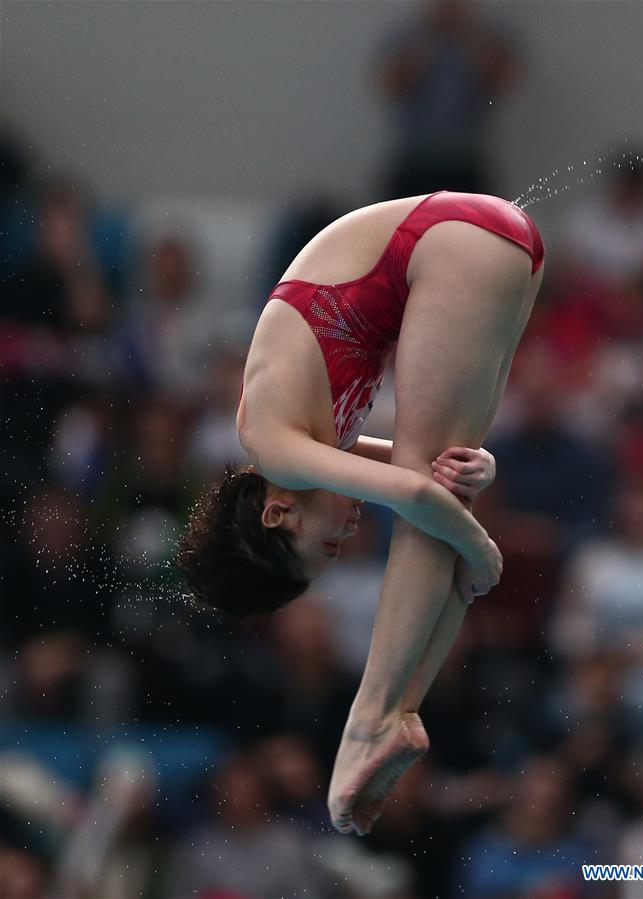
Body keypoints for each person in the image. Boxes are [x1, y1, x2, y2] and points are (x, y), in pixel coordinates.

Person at [175, 189, 544, 835]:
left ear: (276, 517)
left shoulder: (275, 446)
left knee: (435, 512)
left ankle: (369, 719)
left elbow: (411, 492)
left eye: (328, 547)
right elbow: (424, 476)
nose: (347, 531)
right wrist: (483, 468)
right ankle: (397, 709)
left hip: (448, 244)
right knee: (446, 490)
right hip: (474, 241)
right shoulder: (291, 441)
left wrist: (485, 555)